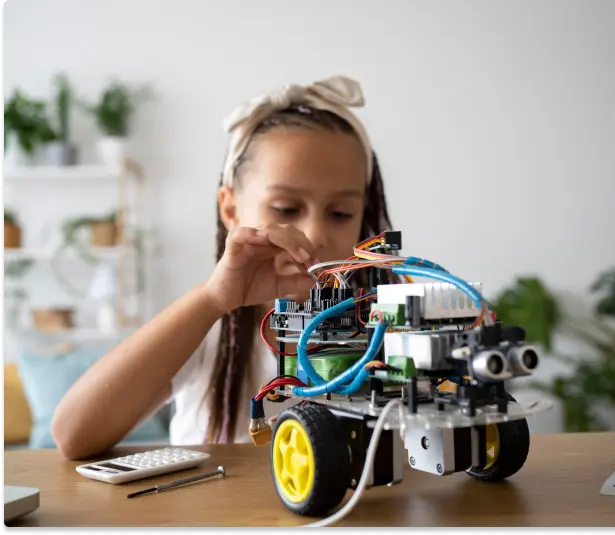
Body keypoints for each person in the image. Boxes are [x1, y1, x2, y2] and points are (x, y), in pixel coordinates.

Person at [52, 75, 396, 460]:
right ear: (230, 208)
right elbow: (72, 434)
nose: (314, 234)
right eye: (285, 209)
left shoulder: (388, 328)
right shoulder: (210, 331)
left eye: (340, 213)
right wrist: (211, 300)